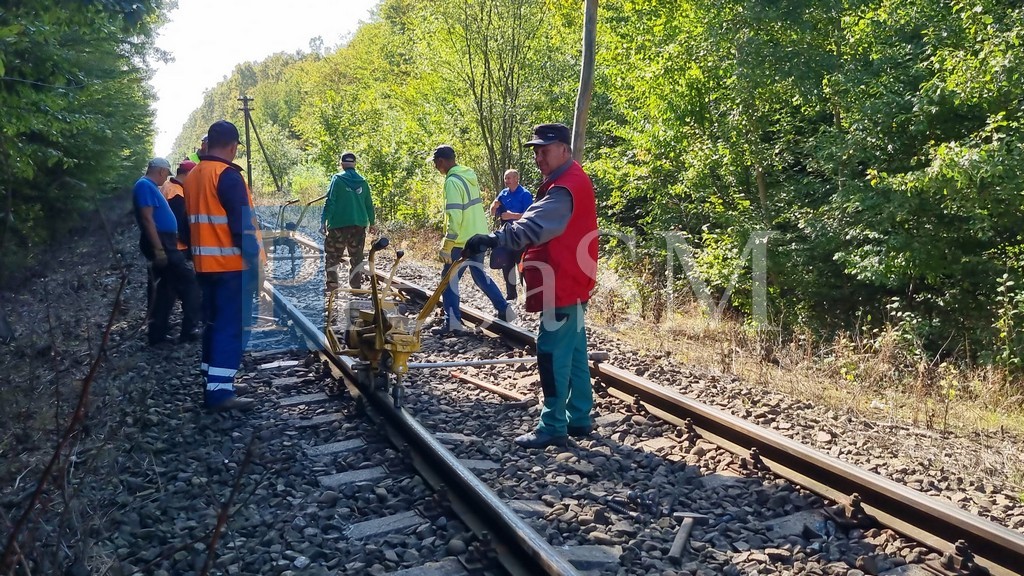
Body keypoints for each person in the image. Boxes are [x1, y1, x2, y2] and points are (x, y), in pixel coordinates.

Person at [464, 123, 598, 449]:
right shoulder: (568, 180)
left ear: (564, 150)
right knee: (576, 352)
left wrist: (493, 238)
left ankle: (553, 424)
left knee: (551, 352)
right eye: (536, 151)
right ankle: (579, 417)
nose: (539, 157)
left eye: (545, 150)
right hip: (569, 280)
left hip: (562, 283)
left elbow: (533, 225)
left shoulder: (565, 188)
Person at [184, 120, 264, 412]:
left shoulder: (192, 177)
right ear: (232, 146)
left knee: (213, 324)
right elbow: (242, 228)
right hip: (231, 266)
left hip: (205, 266)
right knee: (231, 327)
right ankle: (219, 393)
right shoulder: (227, 176)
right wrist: (255, 265)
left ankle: (215, 379)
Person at [431, 145, 517, 336]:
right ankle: (504, 309)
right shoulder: (469, 175)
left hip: (461, 240)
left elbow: (455, 216)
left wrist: (447, 244)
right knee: (479, 275)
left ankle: (452, 322)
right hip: (478, 236)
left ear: (441, 161)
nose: (436, 168)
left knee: (449, 280)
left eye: (436, 164)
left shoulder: (452, 181)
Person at [133, 157, 202, 347]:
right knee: (190, 282)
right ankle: (190, 329)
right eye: (166, 174)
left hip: (165, 241)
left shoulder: (149, 186)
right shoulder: (145, 185)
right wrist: (159, 249)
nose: (166, 178)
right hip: (163, 242)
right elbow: (147, 219)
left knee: (165, 288)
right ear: (162, 171)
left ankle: (157, 334)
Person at [319, 152, 374, 291]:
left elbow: (330, 202)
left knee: (333, 255)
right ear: (355, 164)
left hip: (338, 224)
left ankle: (332, 285)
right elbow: (369, 204)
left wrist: (323, 221)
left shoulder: (337, 179)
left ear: (341, 164)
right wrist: (372, 223)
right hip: (358, 225)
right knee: (357, 256)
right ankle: (355, 285)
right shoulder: (363, 181)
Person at [488, 169, 533, 300]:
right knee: (506, 265)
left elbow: (530, 215)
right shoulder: (503, 193)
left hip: (521, 236)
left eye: (508, 178)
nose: (506, 181)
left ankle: (528, 296)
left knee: (522, 267)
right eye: (505, 178)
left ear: (516, 179)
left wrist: (512, 215)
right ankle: (511, 294)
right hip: (506, 235)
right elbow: (492, 212)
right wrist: (494, 206)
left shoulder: (525, 194)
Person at [161, 160, 197, 256]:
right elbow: (180, 223)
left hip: (167, 240)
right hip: (178, 246)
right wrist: (189, 243)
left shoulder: (167, 185)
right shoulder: (177, 193)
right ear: (189, 173)